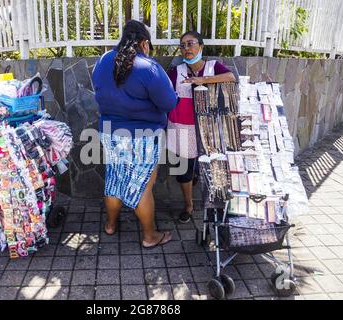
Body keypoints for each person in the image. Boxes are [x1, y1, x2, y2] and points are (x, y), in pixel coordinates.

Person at [92, 20, 178, 248]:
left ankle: (110, 225)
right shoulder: (148, 67)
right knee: (142, 187)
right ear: (144, 43)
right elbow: (169, 102)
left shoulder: (102, 62)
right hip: (144, 137)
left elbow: (99, 92)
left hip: (110, 133)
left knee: (114, 180)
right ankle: (149, 236)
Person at [166, 31, 236, 224]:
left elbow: (231, 77)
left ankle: (214, 200)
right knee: (184, 171)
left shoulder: (214, 67)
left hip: (209, 128)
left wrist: (202, 81)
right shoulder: (177, 71)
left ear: (201, 46)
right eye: (183, 45)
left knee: (209, 164)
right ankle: (188, 205)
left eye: (191, 44)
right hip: (182, 128)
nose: (187, 48)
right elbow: (165, 95)